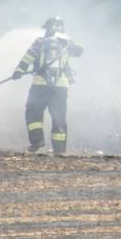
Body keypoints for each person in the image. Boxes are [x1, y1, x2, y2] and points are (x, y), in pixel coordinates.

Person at [12, 17, 83, 154]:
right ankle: (59, 149)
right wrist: (69, 42)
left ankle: (37, 141)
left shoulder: (40, 42)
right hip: (61, 86)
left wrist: (19, 71)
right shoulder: (67, 44)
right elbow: (80, 51)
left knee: (33, 111)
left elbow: (29, 56)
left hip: (41, 84)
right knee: (59, 116)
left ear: (47, 28)